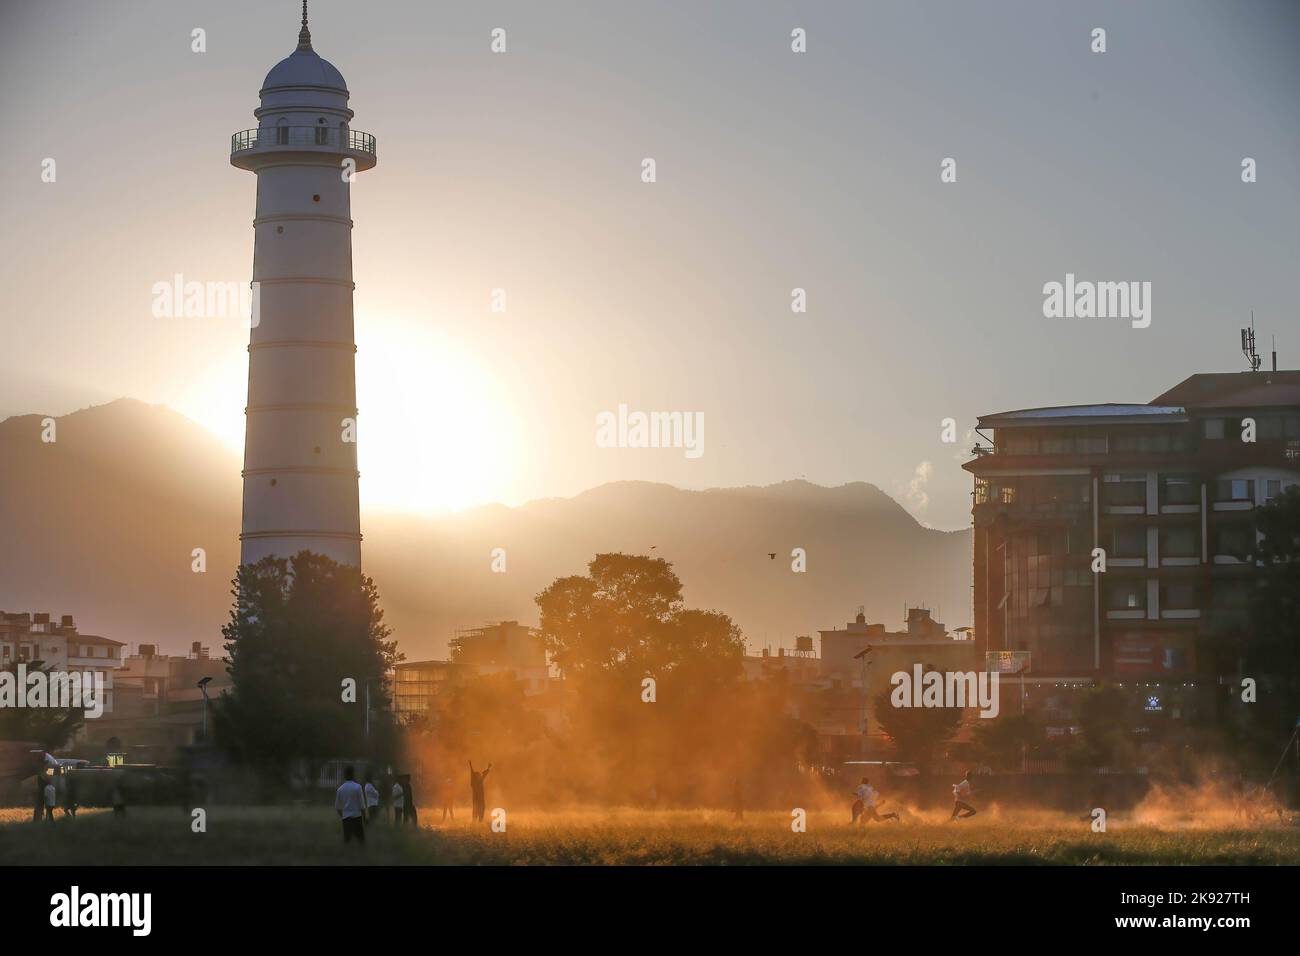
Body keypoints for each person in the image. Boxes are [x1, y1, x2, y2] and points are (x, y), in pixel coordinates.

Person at [335, 765, 366, 844]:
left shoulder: (340, 789)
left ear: (345, 775)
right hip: (357, 817)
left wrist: (344, 815)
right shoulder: (358, 787)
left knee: (347, 841)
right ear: (353, 775)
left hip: (346, 818)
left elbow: (338, 808)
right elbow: (362, 805)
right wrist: (365, 818)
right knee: (361, 841)